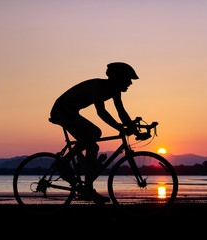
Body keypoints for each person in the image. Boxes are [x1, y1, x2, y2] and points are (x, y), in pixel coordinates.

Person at [50, 62, 140, 202]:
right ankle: (63, 162)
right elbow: (101, 112)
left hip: (70, 111)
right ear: (118, 78)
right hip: (61, 110)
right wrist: (119, 127)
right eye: (128, 79)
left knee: (93, 145)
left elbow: (121, 111)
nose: (130, 83)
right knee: (94, 133)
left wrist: (133, 128)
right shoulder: (98, 86)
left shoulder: (114, 91)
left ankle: (88, 189)